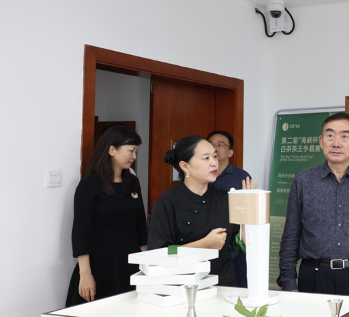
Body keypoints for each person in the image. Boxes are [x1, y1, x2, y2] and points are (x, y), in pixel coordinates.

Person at [277, 112, 349, 297]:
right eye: (330, 135)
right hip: (314, 276)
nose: (336, 143)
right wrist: (288, 282)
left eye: (344, 136)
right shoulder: (303, 181)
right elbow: (291, 236)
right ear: (321, 141)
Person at [149, 135, 253, 287]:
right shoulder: (167, 202)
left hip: (223, 285)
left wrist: (248, 214)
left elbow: (239, 245)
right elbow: (159, 253)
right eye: (206, 158)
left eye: (215, 156)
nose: (214, 163)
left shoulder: (225, 199)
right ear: (185, 166)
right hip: (184, 287)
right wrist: (204, 244)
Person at [66, 125, 147, 306]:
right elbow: (81, 232)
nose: (134, 156)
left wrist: (145, 265)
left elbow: (140, 225)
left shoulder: (132, 182)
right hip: (100, 262)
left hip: (130, 260)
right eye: (131, 150)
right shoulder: (89, 185)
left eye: (136, 151)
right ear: (112, 150)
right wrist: (85, 274)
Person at [207, 130, 251, 287]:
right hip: (204, 246)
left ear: (230, 152)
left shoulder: (241, 177)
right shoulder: (200, 175)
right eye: (211, 145)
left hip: (233, 249)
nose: (215, 149)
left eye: (220, 145)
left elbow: (247, 213)